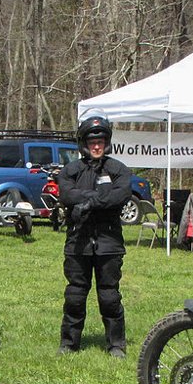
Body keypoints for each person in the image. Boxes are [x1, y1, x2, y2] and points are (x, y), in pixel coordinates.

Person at [58, 115, 132, 358]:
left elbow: (119, 196)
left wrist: (89, 202)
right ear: (84, 144)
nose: (97, 146)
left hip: (108, 244)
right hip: (78, 243)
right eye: (92, 142)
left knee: (109, 296)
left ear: (107, 142)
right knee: (75, 295)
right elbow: (68, 195)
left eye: (101, 141)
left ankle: (116, 344)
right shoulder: (70, 171)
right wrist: (100, 197)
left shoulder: (118, 169)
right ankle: (69, 343)